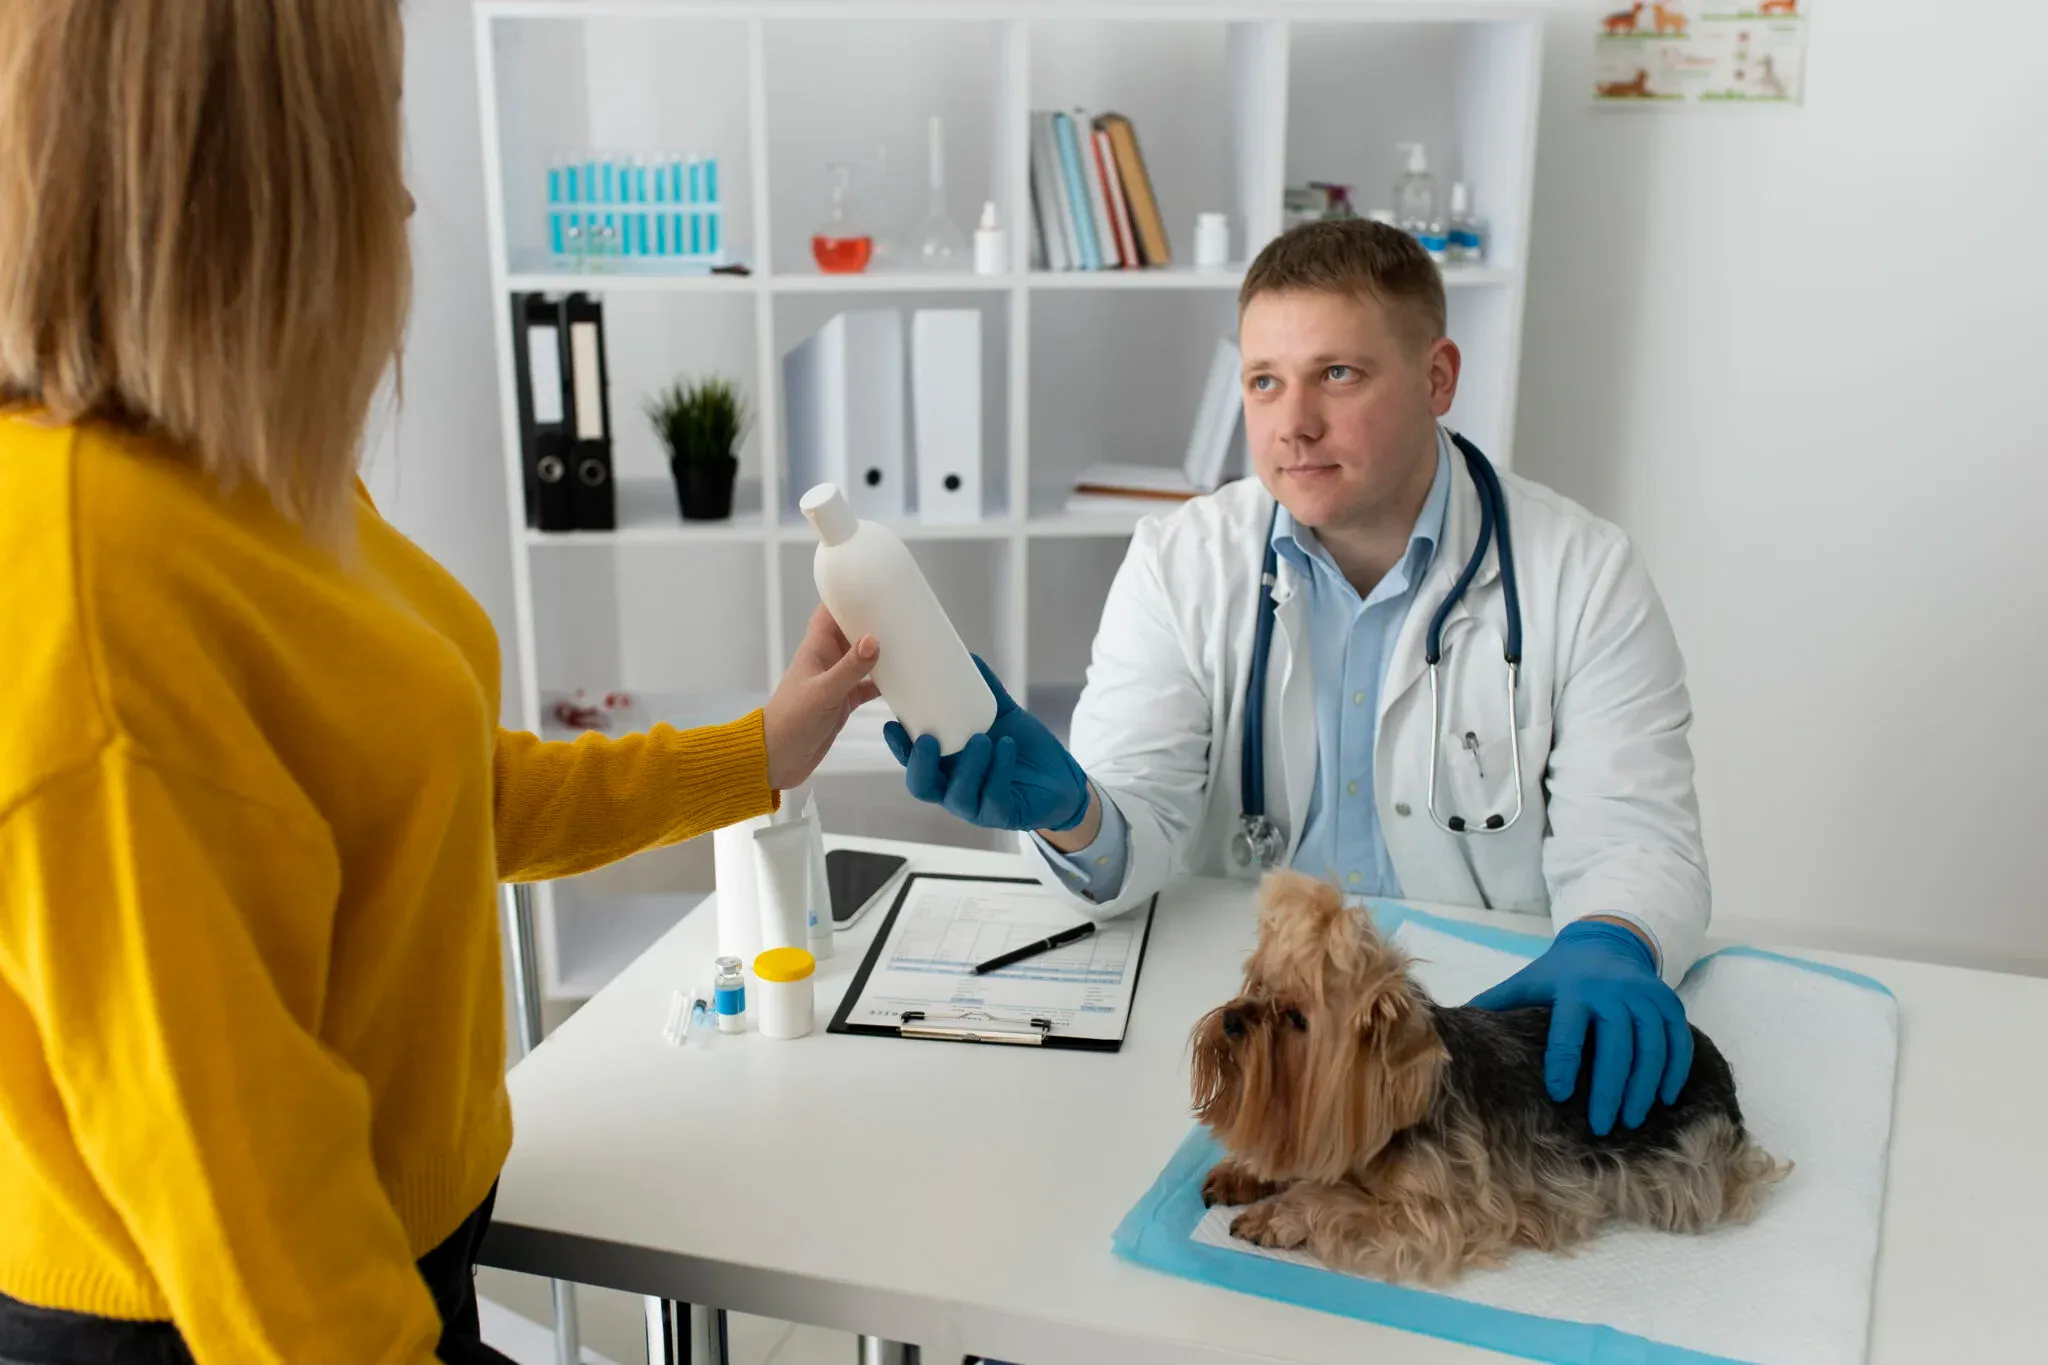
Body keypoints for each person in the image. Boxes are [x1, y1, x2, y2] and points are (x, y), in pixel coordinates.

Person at [0, 4, 877, 1362]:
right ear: (247, 169)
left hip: (406, 1253)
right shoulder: (85, 586)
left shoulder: (245, 473)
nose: (405, 194)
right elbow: (246, 1204)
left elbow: (457, 793)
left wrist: (764, 745)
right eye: (373, 132)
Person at [887, 218, 1709, 1138]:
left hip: (1472, 1026)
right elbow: (1137, 825)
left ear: (1438, 377)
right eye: (1264, 381)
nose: (1294, 424)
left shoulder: (1583, 574)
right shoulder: (1179, 563)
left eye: (1338, 375)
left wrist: (1612, 936)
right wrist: (1068, 810)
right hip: (1249, 1028)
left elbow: (1639, 837)